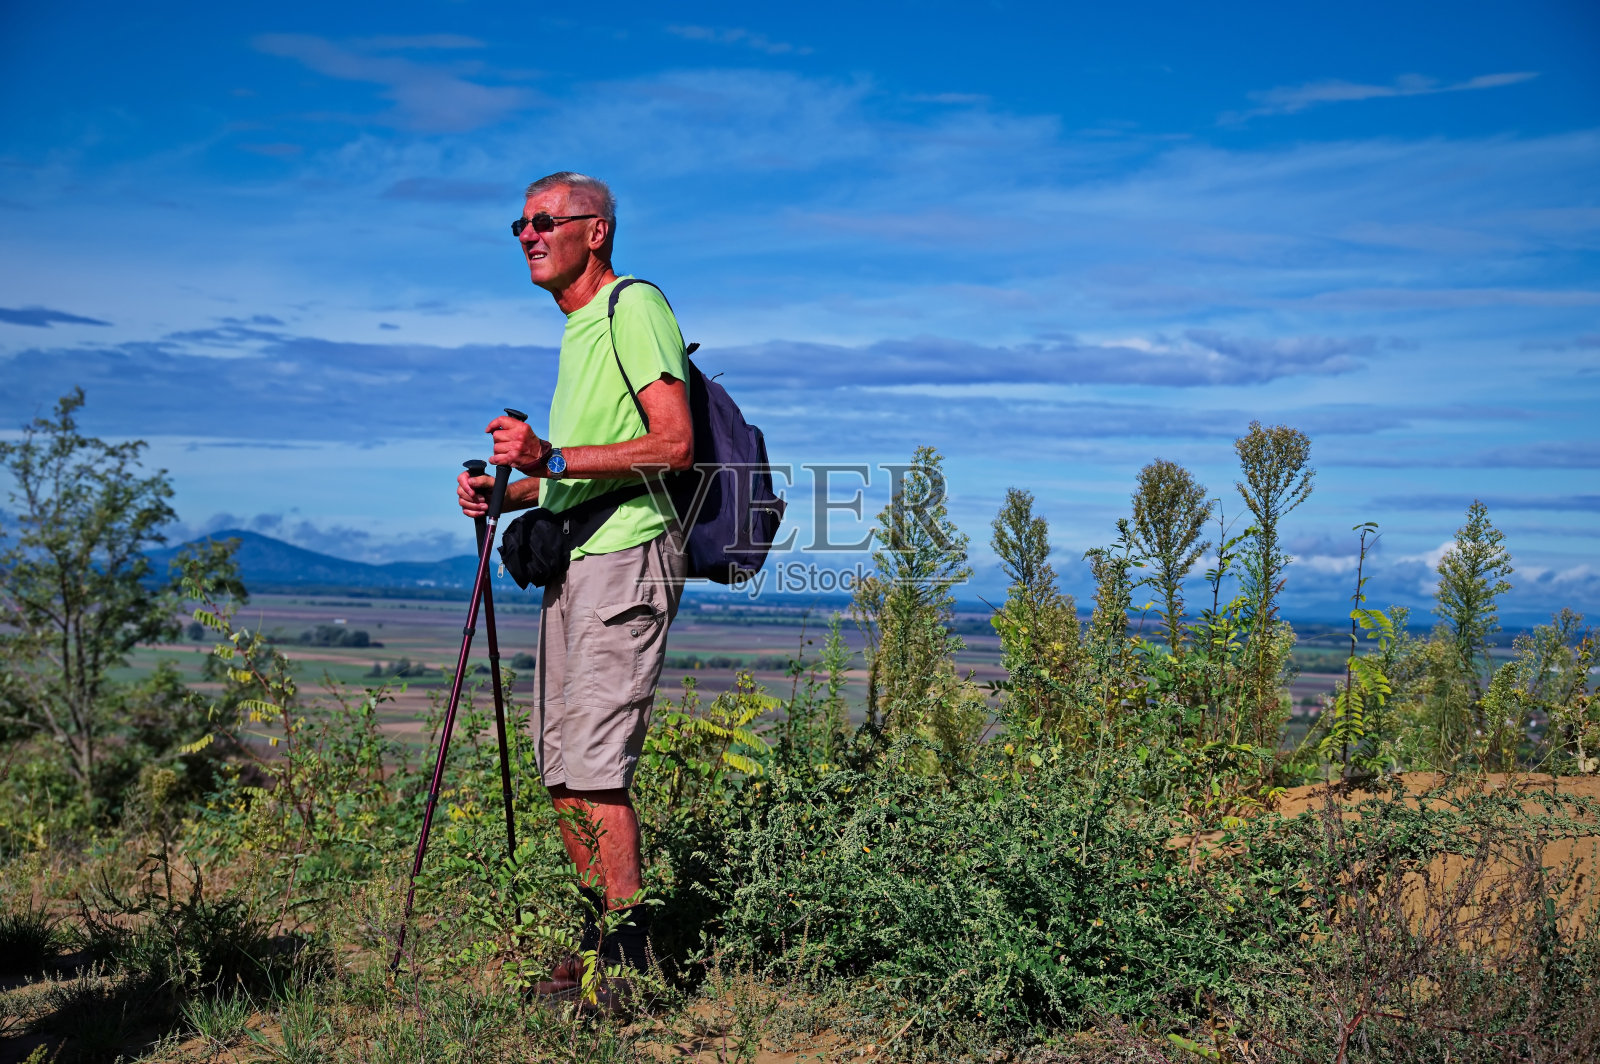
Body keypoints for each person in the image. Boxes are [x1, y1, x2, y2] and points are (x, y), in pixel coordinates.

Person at [456, 171, 693, 998]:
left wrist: (547, 457)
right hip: (580, 559)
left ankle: (627, 967)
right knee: (560, 764)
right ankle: (597, 943)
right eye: (518, 223)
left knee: (594, 768)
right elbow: (574, 472)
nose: (527, 234)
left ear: (594, 231)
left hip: (627, 554)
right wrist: (508, 489)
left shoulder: (635, 308)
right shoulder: (578, 329)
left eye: (544, 220)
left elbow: (672, 447)